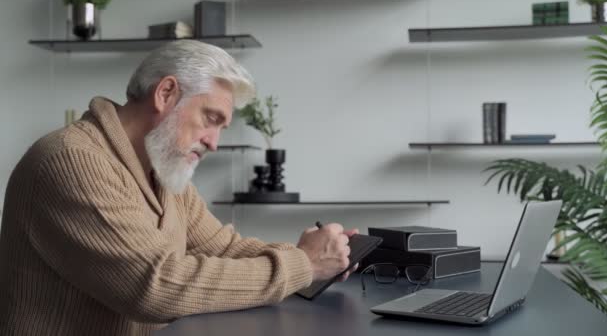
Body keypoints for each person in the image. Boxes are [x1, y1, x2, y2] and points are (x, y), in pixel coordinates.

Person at [0, 40, 356, 336]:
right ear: (166, 93)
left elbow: (224, 248)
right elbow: (156, 287)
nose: (214, 142)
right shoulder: (71, 161)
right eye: (211, 119)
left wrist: (314, 258)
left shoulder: (164, 171)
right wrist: (302, 264)